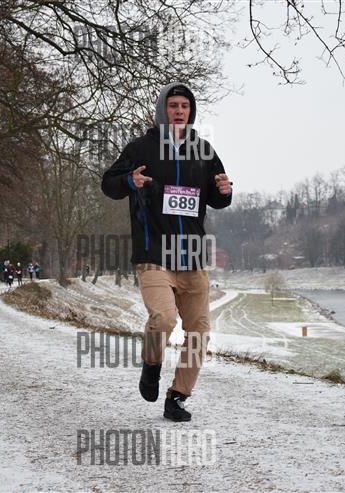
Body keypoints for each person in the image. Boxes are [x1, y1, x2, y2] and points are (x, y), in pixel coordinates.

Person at [101, 82, 232, 421]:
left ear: (191, 112)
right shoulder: (141, 148)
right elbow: (109, 184)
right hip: (153, 252)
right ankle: (152, 363)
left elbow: (217, 197)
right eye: (173, 105)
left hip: (192, 255)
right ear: (163, 109)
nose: (179, 111)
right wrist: (129, 181)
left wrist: (224, 191)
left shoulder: (203, 150)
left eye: (184, 106)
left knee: (199, 332)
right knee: (163, 318)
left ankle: (178, 396)